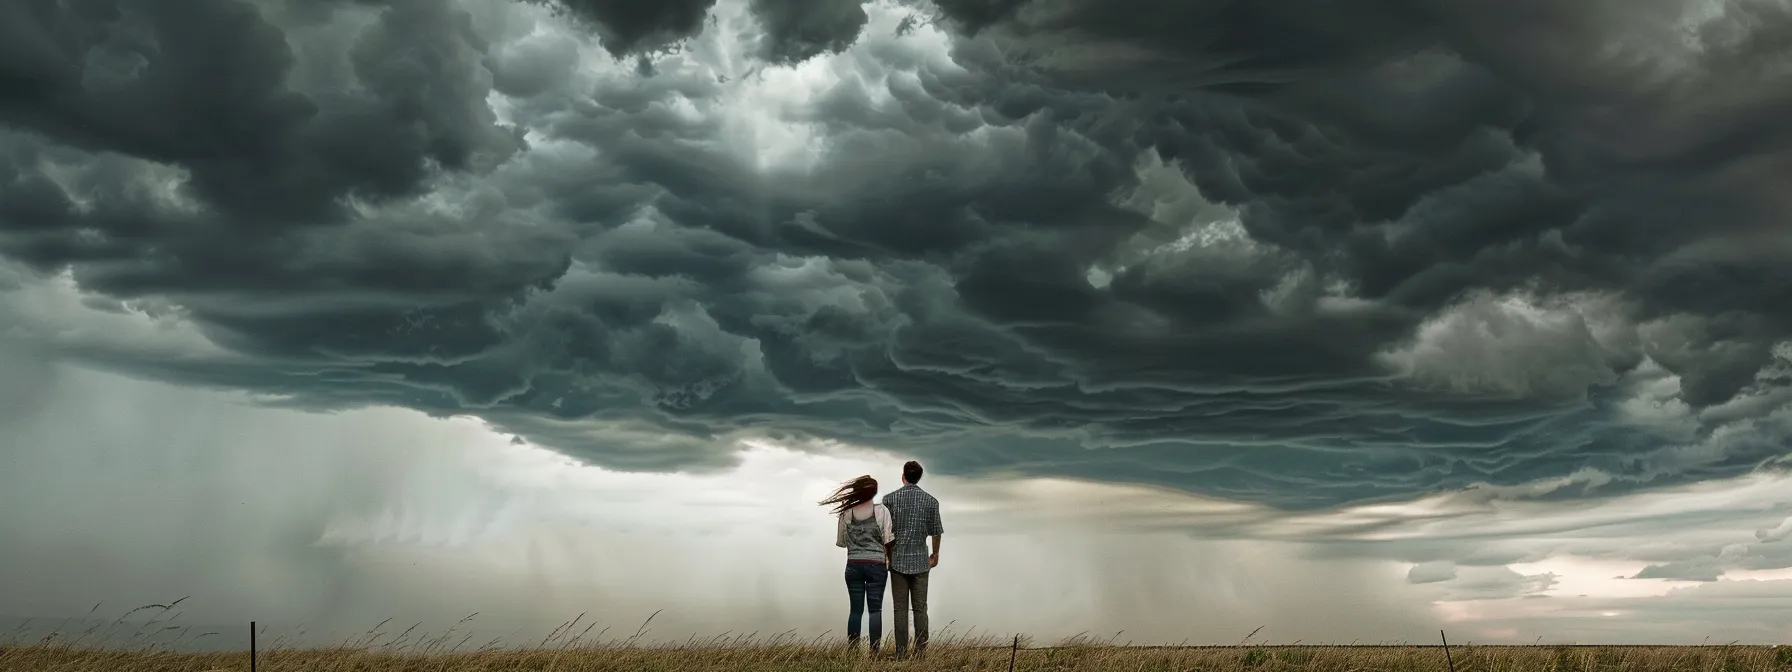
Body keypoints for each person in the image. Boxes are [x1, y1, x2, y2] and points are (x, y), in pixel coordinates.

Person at [819, 474, 894, 654]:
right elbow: (888, 540)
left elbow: (841, 542)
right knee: (875, 610)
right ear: (874, 492)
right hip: (877, 565)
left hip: (853, 565)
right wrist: (888, 560)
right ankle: (874, 653)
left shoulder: (846, 513)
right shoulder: (882, 511)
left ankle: (853, 652)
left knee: (855, 610)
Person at [880, 460, 943, 659]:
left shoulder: (889, 500)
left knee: (900, 609)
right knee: (920, 608)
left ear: (903, 477)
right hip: (920, 561)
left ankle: (900, 653)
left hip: (897, 560)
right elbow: (936, 532)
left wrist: (886, 557)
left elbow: (886, 533)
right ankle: (921, 653)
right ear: (919, 477)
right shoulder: (931, 501)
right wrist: (935, 554)